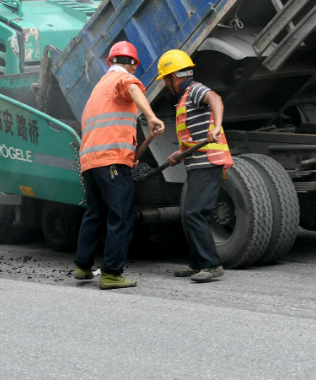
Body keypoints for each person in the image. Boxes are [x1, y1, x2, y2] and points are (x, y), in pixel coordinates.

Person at [74, 42, 165, 290]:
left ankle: (82, 266)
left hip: (91, 162)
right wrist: (151, 116)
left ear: (109, 63)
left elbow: (108, 128)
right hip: (111, 161)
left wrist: (129, 155)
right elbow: (133, 89)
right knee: (121, 215)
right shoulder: (124, 80)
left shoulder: (97, 90)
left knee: (95, 213)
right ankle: (112, 273)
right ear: (134, 65)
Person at [157, 49, 232, 283]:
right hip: (197, 162)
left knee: (194, 213)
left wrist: (217, 126)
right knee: (192, 213)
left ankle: (210, 265)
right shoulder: (185, 98)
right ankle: (198, 262)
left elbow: (215, 99)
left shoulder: (194, 90)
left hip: (207, 163)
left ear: (173, 77)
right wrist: (178, 155)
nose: (166, 86)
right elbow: (193, 138)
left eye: (165, 80)